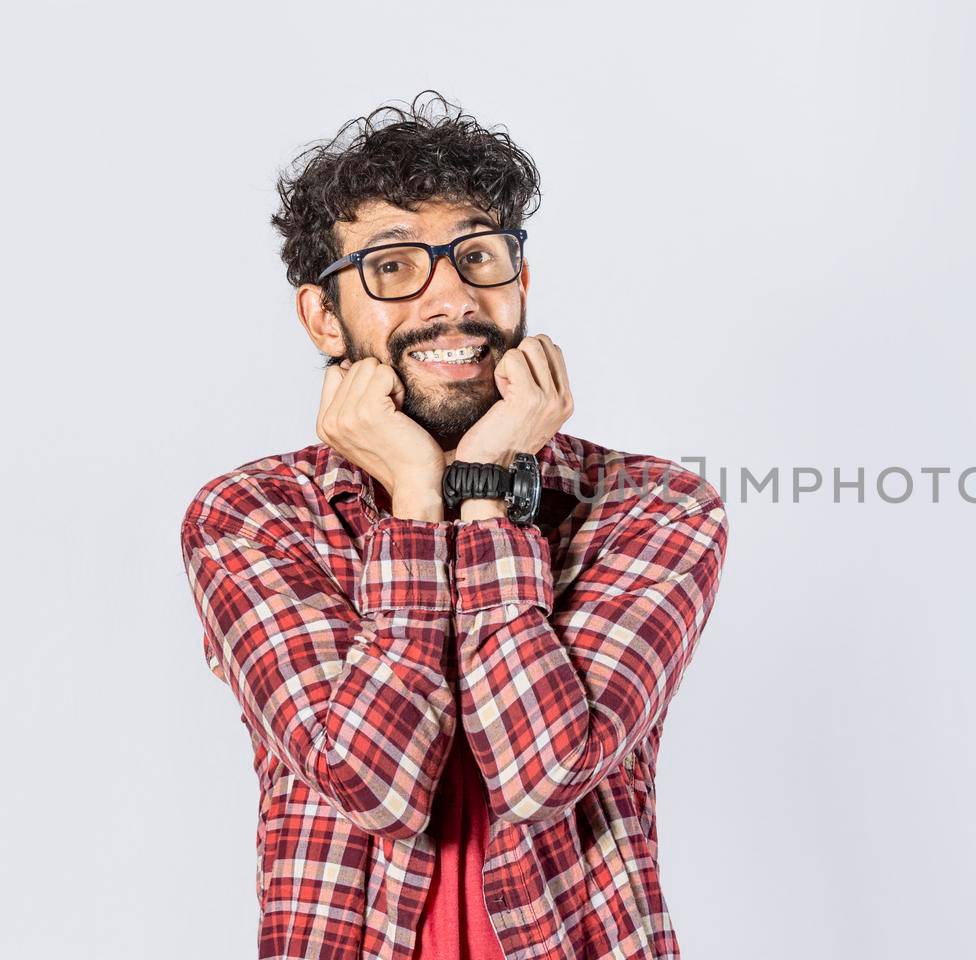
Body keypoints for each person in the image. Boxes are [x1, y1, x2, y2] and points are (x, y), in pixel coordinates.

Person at [177, 90, 729, 960]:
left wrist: (480, 494)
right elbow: (372, 785)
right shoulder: (253, 516)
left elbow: (543, 772)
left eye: (478, 256)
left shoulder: (649, 505)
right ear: (323, 316)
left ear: (520, 283)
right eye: (393, 267)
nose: (451, 298)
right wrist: (415, 498)